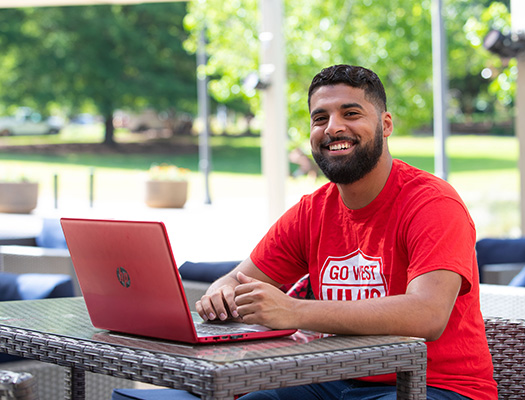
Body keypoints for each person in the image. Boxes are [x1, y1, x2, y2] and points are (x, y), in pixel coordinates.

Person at [196, 64, 498, 400]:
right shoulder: (312, 211)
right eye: (319, 118)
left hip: (436, 386)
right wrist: (220, 293)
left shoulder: (433, 203)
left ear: (385, 124)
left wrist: (293, 311)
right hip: (334, 375)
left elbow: (427, 315)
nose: (333, 128)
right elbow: (235, 280)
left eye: (350, 113)